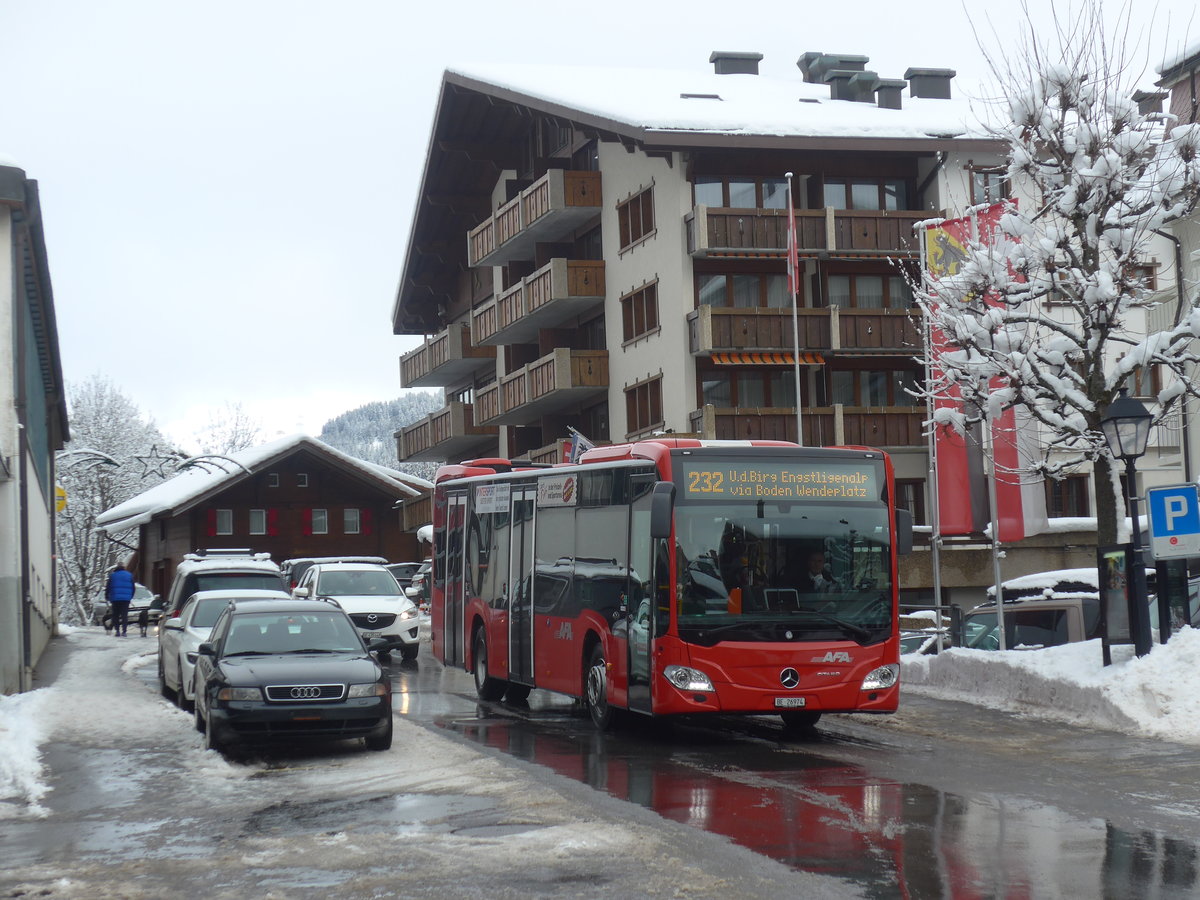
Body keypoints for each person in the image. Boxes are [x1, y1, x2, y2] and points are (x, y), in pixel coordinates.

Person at [105, 563, 136, 637]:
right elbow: (133, 587)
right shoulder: (129, 575)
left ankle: (117, 631)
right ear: (124, 568)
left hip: (115, 598)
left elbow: (108, 587)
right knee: (124, 615)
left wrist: (107, 596)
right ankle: (124, 631)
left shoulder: (113, 575)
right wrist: (130, 596)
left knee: (115, 615)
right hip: (126, 599)